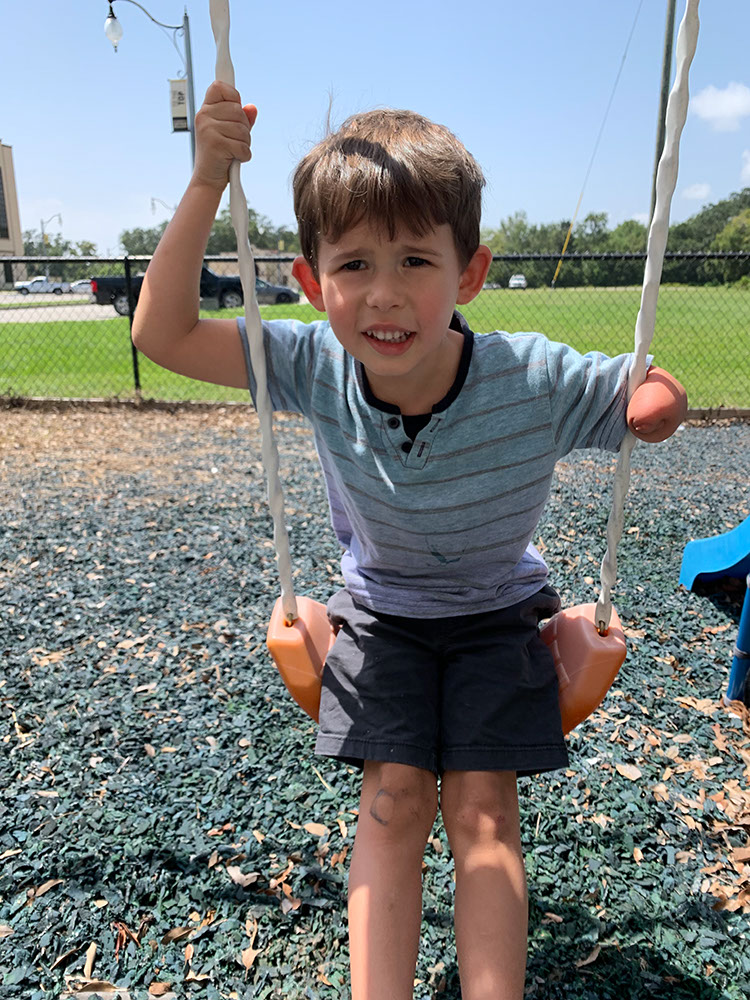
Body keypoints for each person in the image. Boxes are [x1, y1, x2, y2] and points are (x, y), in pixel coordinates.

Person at [132, 81, 688, 1000]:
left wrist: (652, 407)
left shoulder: (532, 377)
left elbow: (644, 385)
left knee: (482, 811)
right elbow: (162, 330)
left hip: (497, 613)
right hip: (381, 615)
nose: (383, 295)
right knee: (391, 804)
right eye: (352, 265)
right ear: (311, 284)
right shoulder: (311, 363)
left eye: (416, 261)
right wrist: (206, 181)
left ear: (468, 275)